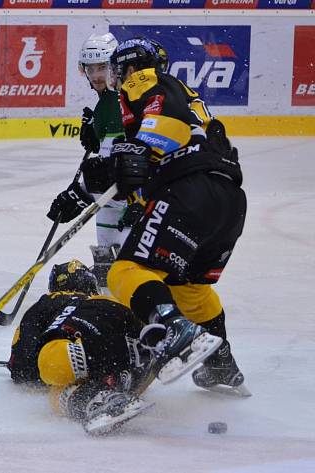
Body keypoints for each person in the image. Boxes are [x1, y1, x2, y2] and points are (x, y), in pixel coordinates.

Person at [102, 37, 248, 393]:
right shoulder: (187, 97)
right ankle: (220, 363)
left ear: (131, 67)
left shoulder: (148, 81)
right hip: (229, 201)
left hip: (189, 191)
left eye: (119, 71)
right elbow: (170, 145)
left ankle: (172, 327)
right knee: (190, 290)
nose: (118, 79)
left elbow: (168, 128)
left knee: (125, 270)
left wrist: (129, 152)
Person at [9, 260, 157, 435]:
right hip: (141, 362)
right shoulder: (111, 300)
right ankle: (111, 384)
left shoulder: (51, 300)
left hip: (83, 344)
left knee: (55, 376)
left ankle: (97, 399)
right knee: (99, 366)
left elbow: (22, 364)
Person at [46, 33, 139, 290]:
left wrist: (143, 200)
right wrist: (78, 195)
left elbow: (137, 160)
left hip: (134, 201)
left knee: (132, 269)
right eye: (91, 68)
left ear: (115, 67)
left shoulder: (128, 99)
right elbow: (107, 169)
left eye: (103, 67)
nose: (97, 75)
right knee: (108, 265)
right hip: (112, 201)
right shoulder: (104, 106)